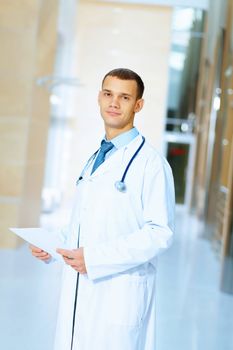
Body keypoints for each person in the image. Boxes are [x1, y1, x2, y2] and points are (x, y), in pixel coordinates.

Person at [30, 68, 175, 350]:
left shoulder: (151, 164)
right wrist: (52, 245)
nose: (114, 103)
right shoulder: (97, 157)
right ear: (99, 97)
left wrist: (96, 258)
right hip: (80, 290)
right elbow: (86, 221)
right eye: (108, 94)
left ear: (138, 105)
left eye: (124, 97)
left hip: (119, 295)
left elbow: (160, 233)